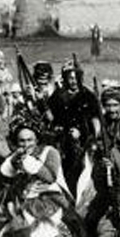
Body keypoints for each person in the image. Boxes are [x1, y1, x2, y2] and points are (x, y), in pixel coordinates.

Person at [47, 61, 101, 193]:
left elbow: (95, 119)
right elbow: (51, 117)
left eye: (76, 78)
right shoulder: (58, 95)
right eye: (70, 78)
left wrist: (86, 133)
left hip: (83, 139)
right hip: (63, 139)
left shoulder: (88, 95)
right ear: (65, 78)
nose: (74, 81)